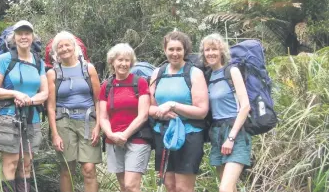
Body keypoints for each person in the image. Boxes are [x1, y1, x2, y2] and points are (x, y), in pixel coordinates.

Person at [0, 20, 48, 192]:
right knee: (11, 162)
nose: (23, 36)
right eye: (20, 33)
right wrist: (15, 94)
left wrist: (30, 100)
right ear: (14, 37)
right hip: (8, 116)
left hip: (32, 117)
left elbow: (45, 93)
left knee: (26, 164)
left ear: (32, 36)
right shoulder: (4, 59)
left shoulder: (38, 62)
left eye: (27, 33)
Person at [149, 31, 209, 192]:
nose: (175, 53)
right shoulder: (158, 73)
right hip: (164, 134)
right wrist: (160, 112)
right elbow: (150, 107)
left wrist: (173, 105)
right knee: (169, 186)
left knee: (183, 188)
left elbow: (202, 111)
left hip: (189, 135)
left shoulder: (194, 73)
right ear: (165, 50)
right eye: (171, 49)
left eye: (179, 49)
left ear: (185, 50)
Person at [46, 31, 102, 192]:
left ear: (74, 47)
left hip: (88, 121)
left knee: (89, 169)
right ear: (56, 52)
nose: (64, 49)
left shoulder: (88, 69)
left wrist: (98, 126)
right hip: (64, 122)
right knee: (67, 169)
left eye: (67, 45)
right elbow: (51, 106)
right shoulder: (53, 74)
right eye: (60, 46)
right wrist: (55, 134)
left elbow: (98, 100)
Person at [200, 33, 251, 192]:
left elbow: (245, 106)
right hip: (216, 133)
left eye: (214, 49)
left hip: (235, 133)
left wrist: (231, 137)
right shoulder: (208, 77)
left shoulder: (232, 71)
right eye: (207, 50)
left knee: (225, 189)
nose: (210, 53)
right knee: (230, 188)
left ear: (222, 51)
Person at [99, 43, 150, 192]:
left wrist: (125, 135)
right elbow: (103, 117)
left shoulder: (139, 82)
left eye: (127, 60)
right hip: (113, 140)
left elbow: (143, 115)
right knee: (124, 187)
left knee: (131, 186)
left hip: (137, 139)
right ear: (112, 62)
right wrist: (111, 135)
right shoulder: (106, 86)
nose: (123, 64)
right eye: (120, 60)